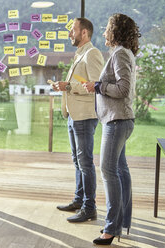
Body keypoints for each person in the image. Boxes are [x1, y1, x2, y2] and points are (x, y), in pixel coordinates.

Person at [83, 13, 140, 245]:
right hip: (120, 120)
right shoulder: (124, 53)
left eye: (107, 28)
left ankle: (111, 228)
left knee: (108, 171)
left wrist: (98, 86)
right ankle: (122, 223)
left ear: (116, 32)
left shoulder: (119, 53)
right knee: (120, 170)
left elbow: (123, 89)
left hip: (116, 121)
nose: (104, 32)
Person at [52, 18, 104, 222]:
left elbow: (95, 87)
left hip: (84, 116)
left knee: (85, 163)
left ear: (84, 33)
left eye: (73, 30)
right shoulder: (79, 55)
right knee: (78, 161)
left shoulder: (92, 54)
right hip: (74, 115)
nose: (69, 34)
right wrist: (65, 86)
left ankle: (89, 208)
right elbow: (79, 83)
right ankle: (78, 200)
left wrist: (68, 86)